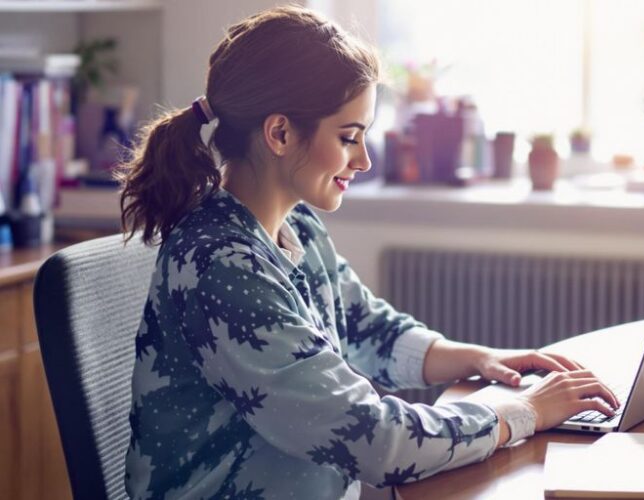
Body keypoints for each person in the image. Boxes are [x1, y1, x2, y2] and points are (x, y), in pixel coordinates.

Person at [119, 6, 618, 500]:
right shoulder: (221, 266)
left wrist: (481, 359)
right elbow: (375, 440)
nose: (364, 159)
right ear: (279, 133)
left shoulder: (297, 226)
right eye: (348, 137)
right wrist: (523, 414)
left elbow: (362, 327)